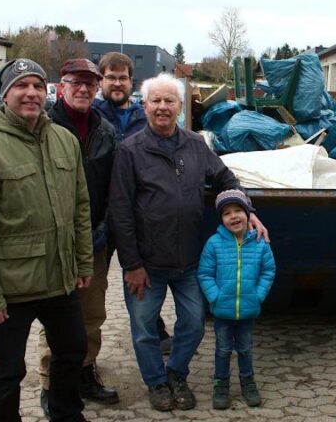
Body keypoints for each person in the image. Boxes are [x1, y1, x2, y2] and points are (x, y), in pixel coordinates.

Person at [108, 73, 268, 411]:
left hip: (188, 262)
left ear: (181, 107)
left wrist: (247, 209)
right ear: (145, 105)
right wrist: (132, 265)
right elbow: (120, 212)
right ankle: (156, 383)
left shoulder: (195, 144)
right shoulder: (129, 151)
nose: (163, 107)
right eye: (156, 101)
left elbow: (225, 177)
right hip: (146, 264)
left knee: (193, 325)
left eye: (170, 101)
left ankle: (177, 373)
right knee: (144, 329)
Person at [0, 58, 92, 422]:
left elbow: (80, 206)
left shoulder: (64, 140)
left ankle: (66, 414)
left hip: (60, 278)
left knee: (73, 350)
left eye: (37, 85)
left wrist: (83, 262)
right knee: (7, 369)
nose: (31, 93)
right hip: (12, 288)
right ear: (5, 95)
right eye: (21, 86)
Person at [36, 59, 118, 417]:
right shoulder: (44, 126)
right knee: (54, 316)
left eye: (90, 83)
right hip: (53, 242)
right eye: (76, 82)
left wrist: (103, 228)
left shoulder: (106, 131)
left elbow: (113, 188)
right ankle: (50, 384)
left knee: (92, 313)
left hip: (94, 240)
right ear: (62, 85)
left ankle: (85, 372)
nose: (83, 89)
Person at [93, 51, 172, 353]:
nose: (116, 83)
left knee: (142, 274)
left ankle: (153, 328)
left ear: (130, 81)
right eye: (110, 77)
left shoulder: (144, 117)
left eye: (122, 77)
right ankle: (86, 358)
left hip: (137, 216)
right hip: (99, 217)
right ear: (102, 80)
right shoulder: (93, 116)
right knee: (94, 288)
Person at [197, 189, 276, 410]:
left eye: (238, 210)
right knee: (222, 350)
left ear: (248, 213)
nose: (233, 216)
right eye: (227, 213)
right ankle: (220, 384)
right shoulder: (214, 243)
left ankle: (248, 382)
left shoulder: (260, 242)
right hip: (223, 311)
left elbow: (268, 271)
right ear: (221, 219)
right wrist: (215, 297)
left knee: (245, 349)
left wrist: (257, 296)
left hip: (248, 311)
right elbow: (204, 274)